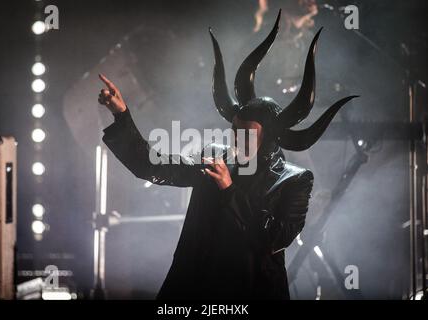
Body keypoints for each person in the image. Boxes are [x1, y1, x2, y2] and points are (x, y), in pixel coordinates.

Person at [97, 11, 357, 299]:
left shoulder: (294, 181)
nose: (236, 139)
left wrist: (229, 190)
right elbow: (151, 167)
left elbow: (274, 239)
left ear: (268, 138)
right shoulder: (216, 158)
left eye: (247, 134)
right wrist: (121, 116)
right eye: (234, 131)